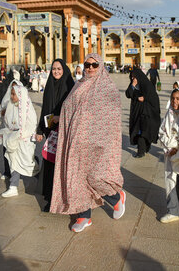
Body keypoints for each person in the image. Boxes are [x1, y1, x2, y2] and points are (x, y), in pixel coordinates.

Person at [50, 53, 126, 233]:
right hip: (76, 143)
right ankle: (84, 215)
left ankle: (116, 197)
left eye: (94, 65)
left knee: (96, 176)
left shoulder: (107, 87)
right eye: (87, 65)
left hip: (98, 143)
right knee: (76, 178)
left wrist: (102, 140)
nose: (90, 68)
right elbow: (70, 108)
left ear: (101, 66)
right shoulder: (79, 85)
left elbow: (112, 118)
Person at [35, 59, 75, 212]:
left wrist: (60, 117)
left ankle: (61, 199)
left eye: (59, 69)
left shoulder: (70, 86)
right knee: (50, 164)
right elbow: (45, 109)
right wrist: (40, 129)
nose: (56, 71)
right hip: (51, 132)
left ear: (64, 69)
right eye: (53, 69)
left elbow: (74, 109)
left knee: (61, 167)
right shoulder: (50, 85)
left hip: (65, 132)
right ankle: (51, 197)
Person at [0, 81, 40, 197]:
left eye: (14, 94)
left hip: (24, 140)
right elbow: (7, 122)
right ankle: (13, 186)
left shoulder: (27, 108)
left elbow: (32, 124)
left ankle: (39, 175)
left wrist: (22, 134)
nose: (11, 97)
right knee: (13, 163)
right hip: (13, 140)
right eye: (11, 94)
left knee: (29, 165)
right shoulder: (11, 105)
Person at [158, 81, 179, 223]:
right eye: (173, 98)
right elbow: (162, 132)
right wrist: (170, 147)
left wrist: (177, 148)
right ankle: (173, 210)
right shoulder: (169, 114)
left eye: (178, 99)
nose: (175, 101)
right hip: (170, 153)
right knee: (170, 181)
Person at [126, 68, 161, 158]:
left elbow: (154, 98)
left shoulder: (147, 84)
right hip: (137, 113)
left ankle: (141, 151)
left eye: (135, 77)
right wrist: (133, 86)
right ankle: (142, 150)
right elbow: (128, 94)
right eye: (132, 77)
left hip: (147, 113)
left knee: (143, 132)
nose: (133, 79)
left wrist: (145, 98)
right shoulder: (133, 85)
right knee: (139, 132)